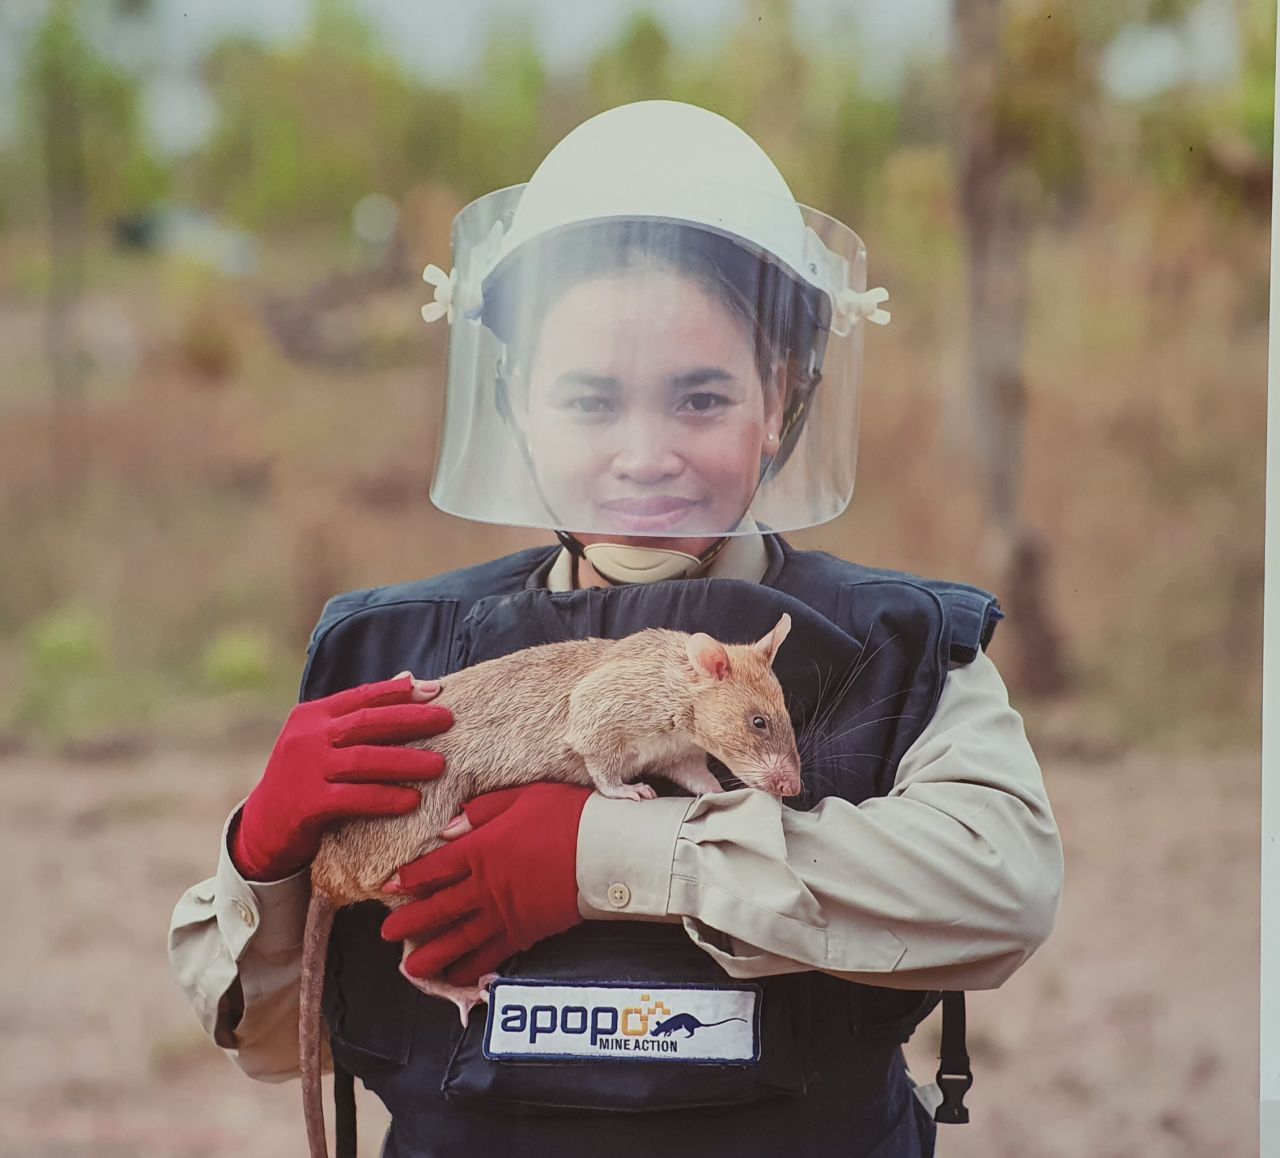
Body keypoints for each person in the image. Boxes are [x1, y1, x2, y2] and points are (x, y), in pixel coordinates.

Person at [169, 101, 1062, 1158]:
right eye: (590, 402)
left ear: (781, 396)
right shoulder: (388, 656)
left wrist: (612, 851)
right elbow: (275, 1041)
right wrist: (264, 860)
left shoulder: (896, 649)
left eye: (698, 399)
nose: (643, 455)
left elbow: (1001, 888)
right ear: (518, 405)